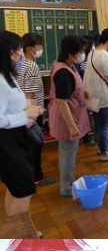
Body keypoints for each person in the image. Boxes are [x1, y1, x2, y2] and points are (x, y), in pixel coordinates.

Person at [0, 30, 44, 229]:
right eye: (19, 51)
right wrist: (25, 114)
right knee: (24, 189)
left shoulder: (7, 75)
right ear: (10, 53)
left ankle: (19, 230)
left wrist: (26, 110)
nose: (21, 55)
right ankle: (22, 234)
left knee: (15, 189)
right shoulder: (1, 80)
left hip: (15, 137)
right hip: (7, 142)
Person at [49, 35, 92, 197]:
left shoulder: (65, 64)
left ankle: (66, 183)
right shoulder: (63, 72)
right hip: (68, 118)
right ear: (70, 53)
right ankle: (67, 188)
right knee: (68, 153)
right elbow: (62, 101)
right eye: (80, 52)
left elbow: (70, 90)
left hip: (72, 113)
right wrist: (72, 126)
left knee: (66, 151)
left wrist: (82, 92)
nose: (82, 55)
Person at [18, 33, 54, 186]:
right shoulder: (31, 66)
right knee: (35, 145)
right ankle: (37, 177)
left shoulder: (18, 64)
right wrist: (31, 117)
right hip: (32, 111)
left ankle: (28, 174)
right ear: (30, 48)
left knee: (27, 145)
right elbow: (30, 94)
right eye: (39, 46)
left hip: (22, 110)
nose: (41, 49)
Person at [84, 28, 108, 162]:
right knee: (104, 127)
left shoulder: (92, 52)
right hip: (102, 95)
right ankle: (105, 153)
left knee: (98, 125)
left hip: (92, 95)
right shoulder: (105, 56)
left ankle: (102, 148)